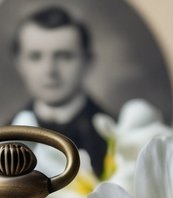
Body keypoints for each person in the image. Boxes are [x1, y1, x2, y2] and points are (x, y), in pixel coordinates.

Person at [8, 6, 111, 177]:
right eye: (35, 57)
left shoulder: (115, 138)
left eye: (64, 56)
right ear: (19, 63)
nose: (49, 70)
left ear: (88, 61)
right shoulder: (1, 139)